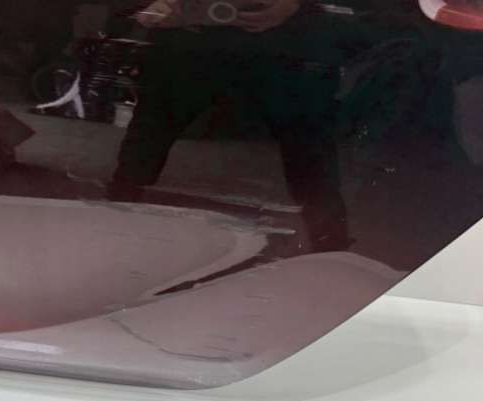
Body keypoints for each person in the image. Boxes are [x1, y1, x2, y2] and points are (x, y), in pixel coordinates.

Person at [108, 0, 350, 251]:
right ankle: (331, 244)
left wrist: (296, 6)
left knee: (309, 152)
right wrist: (152, 7)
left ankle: (331, 245)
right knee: (146, 142)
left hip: (276, 46)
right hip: (194, 44)